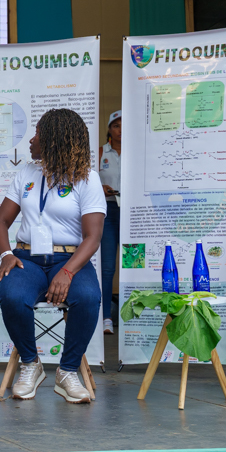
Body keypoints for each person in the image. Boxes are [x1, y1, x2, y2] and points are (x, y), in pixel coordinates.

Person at [0, 108, 106, 404]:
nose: (31, 140)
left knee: (89, 297)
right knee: (12, 295)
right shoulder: (26, 173)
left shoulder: (87, 179)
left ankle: (67, 371)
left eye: (38, 135)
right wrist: (6, 254)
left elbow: (93, 237)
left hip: (70, 260)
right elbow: (1, 222)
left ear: (54, 140)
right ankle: (31, 364)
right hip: (27, 259)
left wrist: (67, 272)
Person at [98, 110, 122, 334]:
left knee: (132, 265)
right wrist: (101, 187)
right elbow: (88, 179)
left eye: (124, 125)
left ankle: (129, 317)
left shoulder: (137, 151)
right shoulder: (100, 153)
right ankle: (106, 318)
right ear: (109, 129)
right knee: (107, 267)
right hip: (108, 209)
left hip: (133, 212)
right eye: (116, 125)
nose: (120, 129)